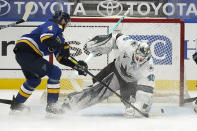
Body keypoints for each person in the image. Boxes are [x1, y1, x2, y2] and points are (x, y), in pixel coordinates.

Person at [10, 11, 88, 114]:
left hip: (24, 54)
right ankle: (51, 106)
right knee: (55, 72)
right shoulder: (52, 24)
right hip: (27, 50)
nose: (67, 25)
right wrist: (62, 46)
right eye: (67, 23)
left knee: (34, 80)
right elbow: (46, 39)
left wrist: (76, 65)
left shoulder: (59, 37)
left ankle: (17, 104)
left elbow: (61, 58)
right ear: (63, 20)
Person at [62, 33, 155, 117]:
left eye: (141, 59)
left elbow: (146, 90)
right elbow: (116, 37)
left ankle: (130, 107)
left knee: (132, 107)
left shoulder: (149, 67)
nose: (138, 60)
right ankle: (70, 104)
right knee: (98, 91)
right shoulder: (129, 45)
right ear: (135, 50)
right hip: (115, 71)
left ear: (147, 58)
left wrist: (136, 107)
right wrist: (104, 43)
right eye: (137, 56)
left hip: (131, 83)